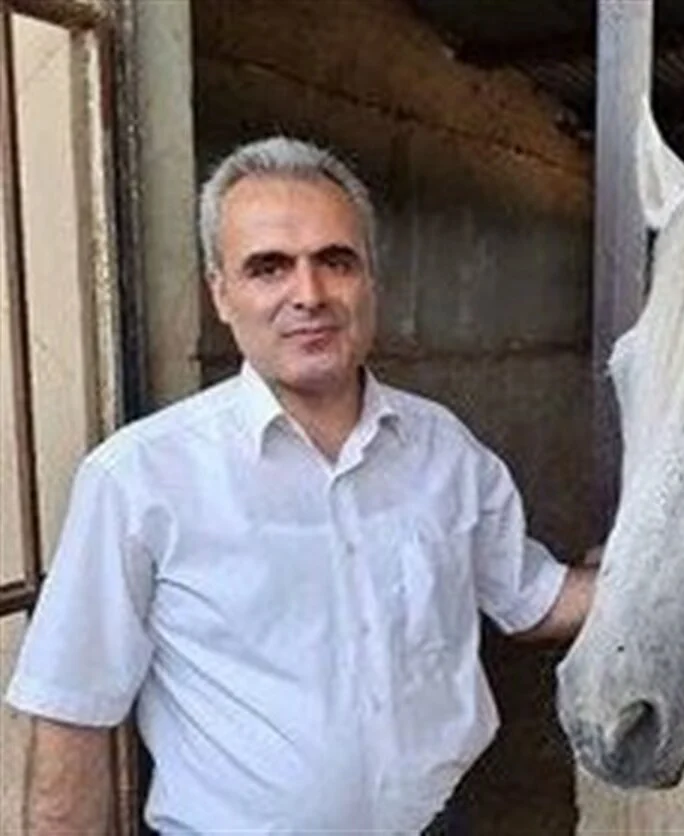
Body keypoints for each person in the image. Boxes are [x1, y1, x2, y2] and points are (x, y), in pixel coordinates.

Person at [5, 136, 597, 834]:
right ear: (220, 293)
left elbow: (533, 600)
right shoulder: (139, 478)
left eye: (335, 261)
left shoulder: (443, 449)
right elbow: (72, 713)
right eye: (269, 268)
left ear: (370, 280)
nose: (309, 295)